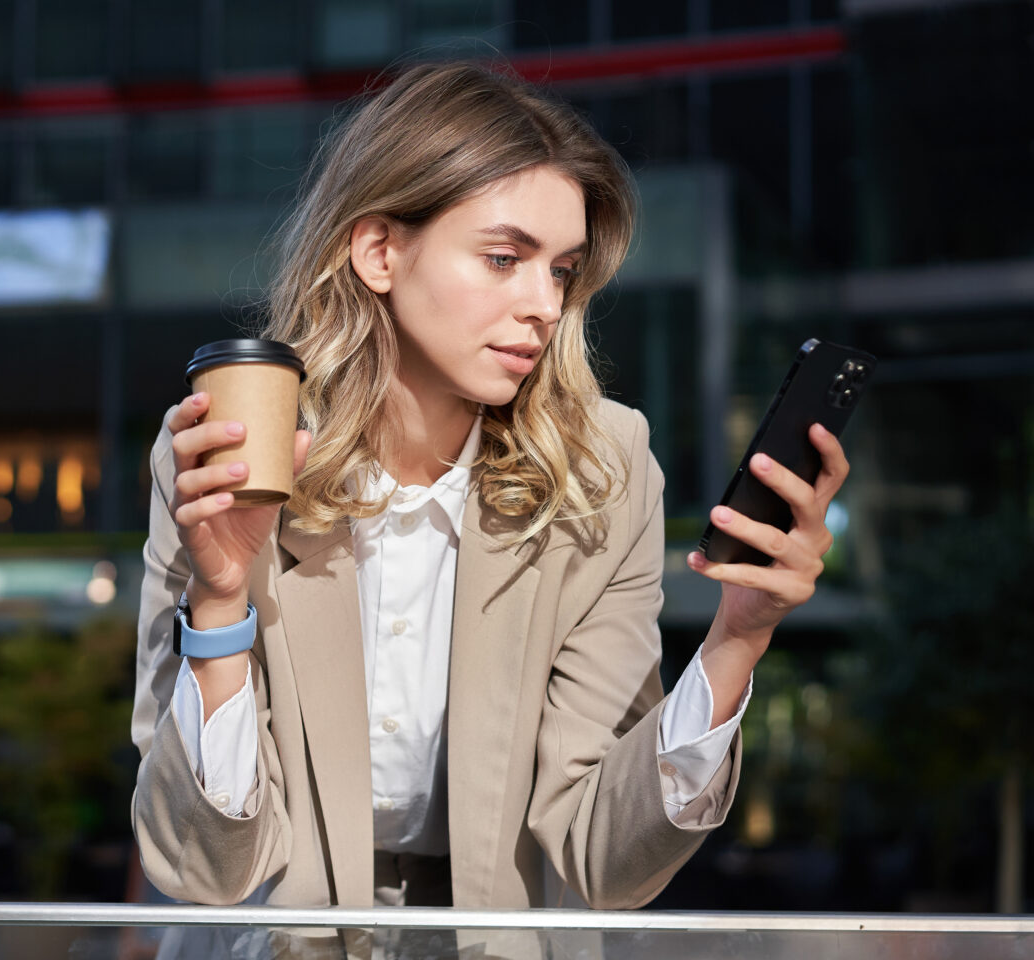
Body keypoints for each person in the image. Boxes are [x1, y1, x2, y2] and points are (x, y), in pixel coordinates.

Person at [128, 59, 851, 920]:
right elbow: (203, 871)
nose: (544, 304)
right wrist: (217, 606)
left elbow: (605, 862)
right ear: (380, 251)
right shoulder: (234, 454)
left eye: (561, 271)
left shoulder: (606, 475)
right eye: (505, 258)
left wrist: (738, 639)